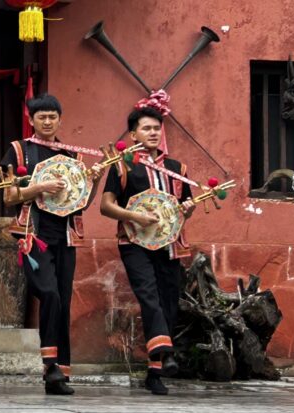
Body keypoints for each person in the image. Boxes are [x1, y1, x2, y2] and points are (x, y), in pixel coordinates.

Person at [0, 94, 103, 395]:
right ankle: (51, 364)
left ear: (60, 119)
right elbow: (8, 197)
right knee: (49, 294)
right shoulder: (19, 151)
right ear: (31, 120)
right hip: (34, 234)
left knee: (63, 300)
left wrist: (94, 180)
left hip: (66, 235)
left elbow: (82, 201)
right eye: (41, 117)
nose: (47, 121)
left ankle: (58, 372)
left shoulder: (71, 155)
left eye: (53, 117)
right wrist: (40, 187)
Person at [100, 106, 196, 395]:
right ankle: (166, 352)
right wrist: (135, 217)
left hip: (169, 244)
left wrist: (188, 209)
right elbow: (106, 206)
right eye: (146, 128)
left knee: (168, 302)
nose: (153, 133)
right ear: (133, 134)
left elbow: (184, 211)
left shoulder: (178, 170)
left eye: (157, 128)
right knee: (149, 296)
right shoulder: (122, 165)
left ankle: (155, 373)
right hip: (134, 243)